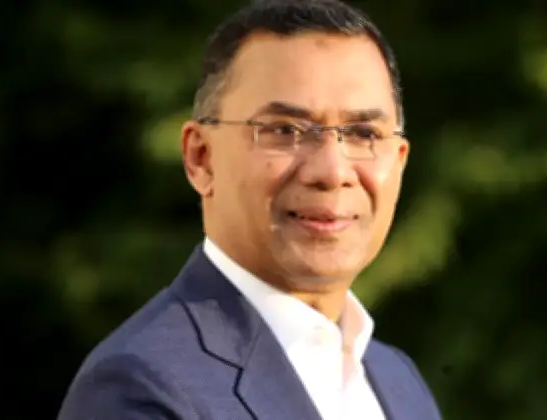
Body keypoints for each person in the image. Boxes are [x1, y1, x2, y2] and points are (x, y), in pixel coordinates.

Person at [57, 0, 442, 419]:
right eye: (285, 130)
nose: (332, 171)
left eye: (364, 133)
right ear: (201, 159)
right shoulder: (139, 387)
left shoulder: (398, 382)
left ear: (399, 161)